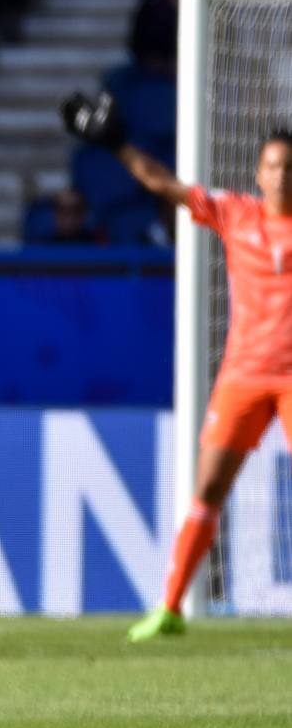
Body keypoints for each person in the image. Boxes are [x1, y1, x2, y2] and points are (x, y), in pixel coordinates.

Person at [62, 91, 292, 641]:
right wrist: (117, 144)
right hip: (241, 374)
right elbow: (162, 183)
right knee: (208, 488)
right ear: (257, 174)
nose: (281, 176)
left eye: (289, 167)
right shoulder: (235, 213)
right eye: (273, 166)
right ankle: (170, 608)